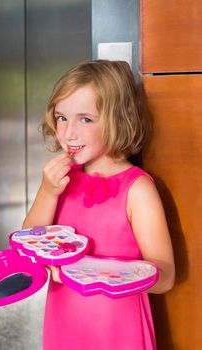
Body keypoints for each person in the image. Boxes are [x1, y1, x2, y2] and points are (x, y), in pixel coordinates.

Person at [22, 60, 175, 350]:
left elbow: (165, 276)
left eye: (86, 119)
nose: (68, 133)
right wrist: (47, 192)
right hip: (64, 323)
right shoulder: (62, 181)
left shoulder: (137, 189)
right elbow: (30, 242)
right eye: (61, 117)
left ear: (118, 120)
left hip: (117, 329)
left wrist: (94, 271)